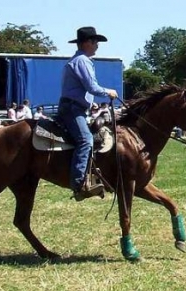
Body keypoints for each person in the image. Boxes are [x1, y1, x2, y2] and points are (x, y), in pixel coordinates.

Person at [58, 26, 118, 201]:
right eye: (95, 41)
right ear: (86, 43)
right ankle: (79, 184)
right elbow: (91, 87)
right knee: (86, 139)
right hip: (72, 109)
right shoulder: (82, 61)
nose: (97, 45)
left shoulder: (79, 60)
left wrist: (89, 103)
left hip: (76, 107)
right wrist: (109, 92)